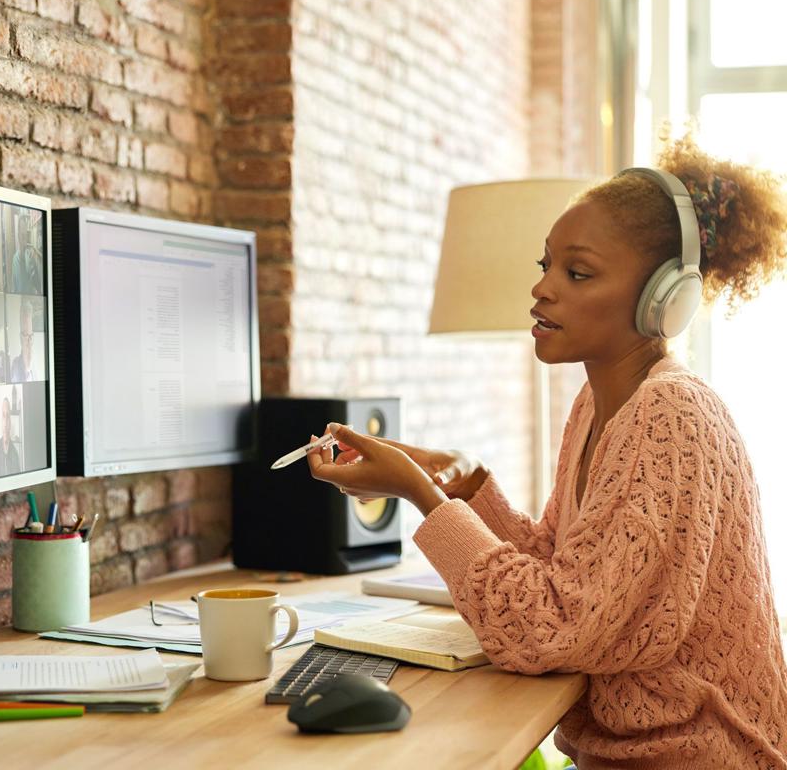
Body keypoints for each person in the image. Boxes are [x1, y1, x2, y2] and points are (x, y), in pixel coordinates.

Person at [306, 133, 787, 769]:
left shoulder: (671, 417)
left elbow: (552, 626)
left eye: (577, 272)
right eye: (545, 266)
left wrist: (421, 497)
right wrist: (460, 481)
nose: (543, 290)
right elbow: (571, 575)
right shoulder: (598, 406)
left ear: (664, 299)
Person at [0, 397, 20, 477]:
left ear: (10, 422)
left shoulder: (15, 453)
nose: (5, 422)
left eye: (7, 416)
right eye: (3, 415)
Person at [10, 299, 35, 383]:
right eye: (25, 336)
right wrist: (26, 370)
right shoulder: (15, 364)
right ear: (20, 339)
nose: (29, 342)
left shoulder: (36, 366)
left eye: (31, 336)